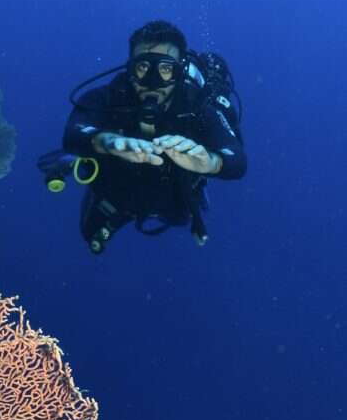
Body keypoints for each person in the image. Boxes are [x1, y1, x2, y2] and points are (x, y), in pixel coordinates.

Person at [61, 20, 246, 254]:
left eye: (166, 69)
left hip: (177, 196)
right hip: (117, 193)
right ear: (130, 69)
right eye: (143, 67)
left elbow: (237, 159)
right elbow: (73, 132)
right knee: (89, 234)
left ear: (179, 72)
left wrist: (210, 161)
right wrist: (105, 141)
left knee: (181, 218)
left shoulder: (197, 108)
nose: (153, 81)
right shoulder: (110, 98)